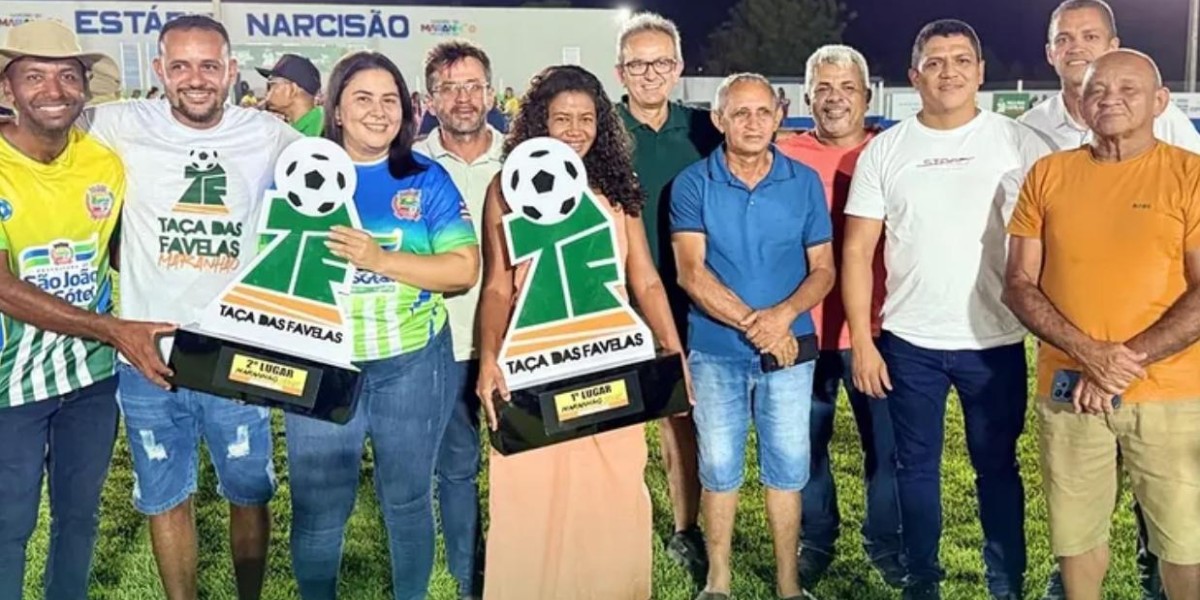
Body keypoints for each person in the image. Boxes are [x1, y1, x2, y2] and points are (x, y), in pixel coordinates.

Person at [80, 15, 302, 600]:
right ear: (159, 70)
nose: (195, 79)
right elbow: (39, 124)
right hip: (148, 354)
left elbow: (334, 176)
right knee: (164, 496)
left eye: (209, 65)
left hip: (237, 353)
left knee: (248, 492)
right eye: (180, 66)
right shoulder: (119, 123)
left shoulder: (267, 134)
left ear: (230, 70)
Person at [842, 19, 1051, 600]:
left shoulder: (1019, 143)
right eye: (935, 62)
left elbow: (1057, 235)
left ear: (980, 72)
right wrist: (864, 341)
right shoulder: (886, 150)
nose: (949, 72)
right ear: (915, 76)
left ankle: (1005, 581)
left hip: (994, 340)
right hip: (910, 342)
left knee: (998, 467)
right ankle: (922, 581)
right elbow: (856, 251)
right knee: (915, 469)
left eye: (961, 60)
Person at [475, 64, 686, 600]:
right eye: (561, 118)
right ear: (538, 122)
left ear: (602, 123)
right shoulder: (507, 188)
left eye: (586, 118)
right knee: (530, 496)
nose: (574, 129)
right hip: (533, 363)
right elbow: (497, 286)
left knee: (613, 489)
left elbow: (645, 278)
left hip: (608, 358)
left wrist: (672, 350)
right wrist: (488, 358)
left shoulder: (616, 187)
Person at [1004, 49, 1200, 600]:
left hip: (1171, 395)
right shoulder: (1048, 174)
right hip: (1069, 391)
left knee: (1184, 542)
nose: (1110, 98)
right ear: (1081, 103)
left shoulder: (1190, 176)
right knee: (1075, 538)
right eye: (1096, 90)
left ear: (1160, 101)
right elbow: (1018, 282)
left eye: (1128, 89)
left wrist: (1118, 364)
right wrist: (1089, 355)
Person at [287, 50, 480, 600]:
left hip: (412, 363)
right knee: (319, 508)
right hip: (323, 363)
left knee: (408, 499)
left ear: (407, 110)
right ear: (336, 109)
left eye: (390, 99)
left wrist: (380, 260)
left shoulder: (426, 177)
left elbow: (463, 268)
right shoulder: (297, 173)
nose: (378, 111)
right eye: (363, 98)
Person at [0, 19, 172, 600]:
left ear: (83, 87)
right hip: (8, 385)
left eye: (67, 76)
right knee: (8, 525)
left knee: (78, 518)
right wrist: (111, 328)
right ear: (8, 89)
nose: (54, 90)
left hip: (91, 381)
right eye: (34, 76)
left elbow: (127, 252)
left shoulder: (104, 164)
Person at [672, 72, 835, 600]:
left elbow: (824, 270)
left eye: (763, 112)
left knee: (787, 467)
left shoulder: (802, 181)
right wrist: (759, 327)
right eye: (739, 112)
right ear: (718, 119)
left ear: (779, 116)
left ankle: (789, 585)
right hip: (716, 351)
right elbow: (691, 273)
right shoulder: (693, 183)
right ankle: (717, 581)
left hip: (790, 351)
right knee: (719, 466)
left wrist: (782, 317)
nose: (752, 122)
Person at [777, 44, 904, 589]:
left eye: (847, 87)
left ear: (867, 96)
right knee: (805, 445)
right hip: (804, 328)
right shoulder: (783, 155)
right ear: (807, 98)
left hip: (878, 328)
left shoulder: (891, 151)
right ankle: (817, 539)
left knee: (889, 448)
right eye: (823, 89)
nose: (835, 99)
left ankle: (886, 542)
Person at [614, 11, 722, 579]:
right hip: (614, 297)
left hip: (688, 295)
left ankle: (685, 527)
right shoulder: (599, 129)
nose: (650, 74)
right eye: (638, 64)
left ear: (678, 67)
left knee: (681, 413)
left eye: (660, 63)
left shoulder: (706, 130)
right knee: (613, 417)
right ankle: (611, 518)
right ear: (620, 71)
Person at [413, 39, 505, 600]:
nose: (463, 98)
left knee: (520, 462)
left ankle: (523, 564)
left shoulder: (524, 159)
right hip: (439, 341)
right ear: (430, 100)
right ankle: (469, 574)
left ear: (491, 94)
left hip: (512, 341)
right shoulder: (409, 165)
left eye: (473, 86)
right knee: (456, 465)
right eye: (449, 88)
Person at [1020, 0, 1200, 155]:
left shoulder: (1162, 119)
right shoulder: (1029, 127)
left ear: (1112, 47)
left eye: (1090, 37)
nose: (1076, 48)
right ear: (1050, 53)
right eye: (1063, 40)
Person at [257, 53, 324, 136]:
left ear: (292, 89)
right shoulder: (315, 124)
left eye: (272, 85)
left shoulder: (323, 130)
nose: (267, 93)